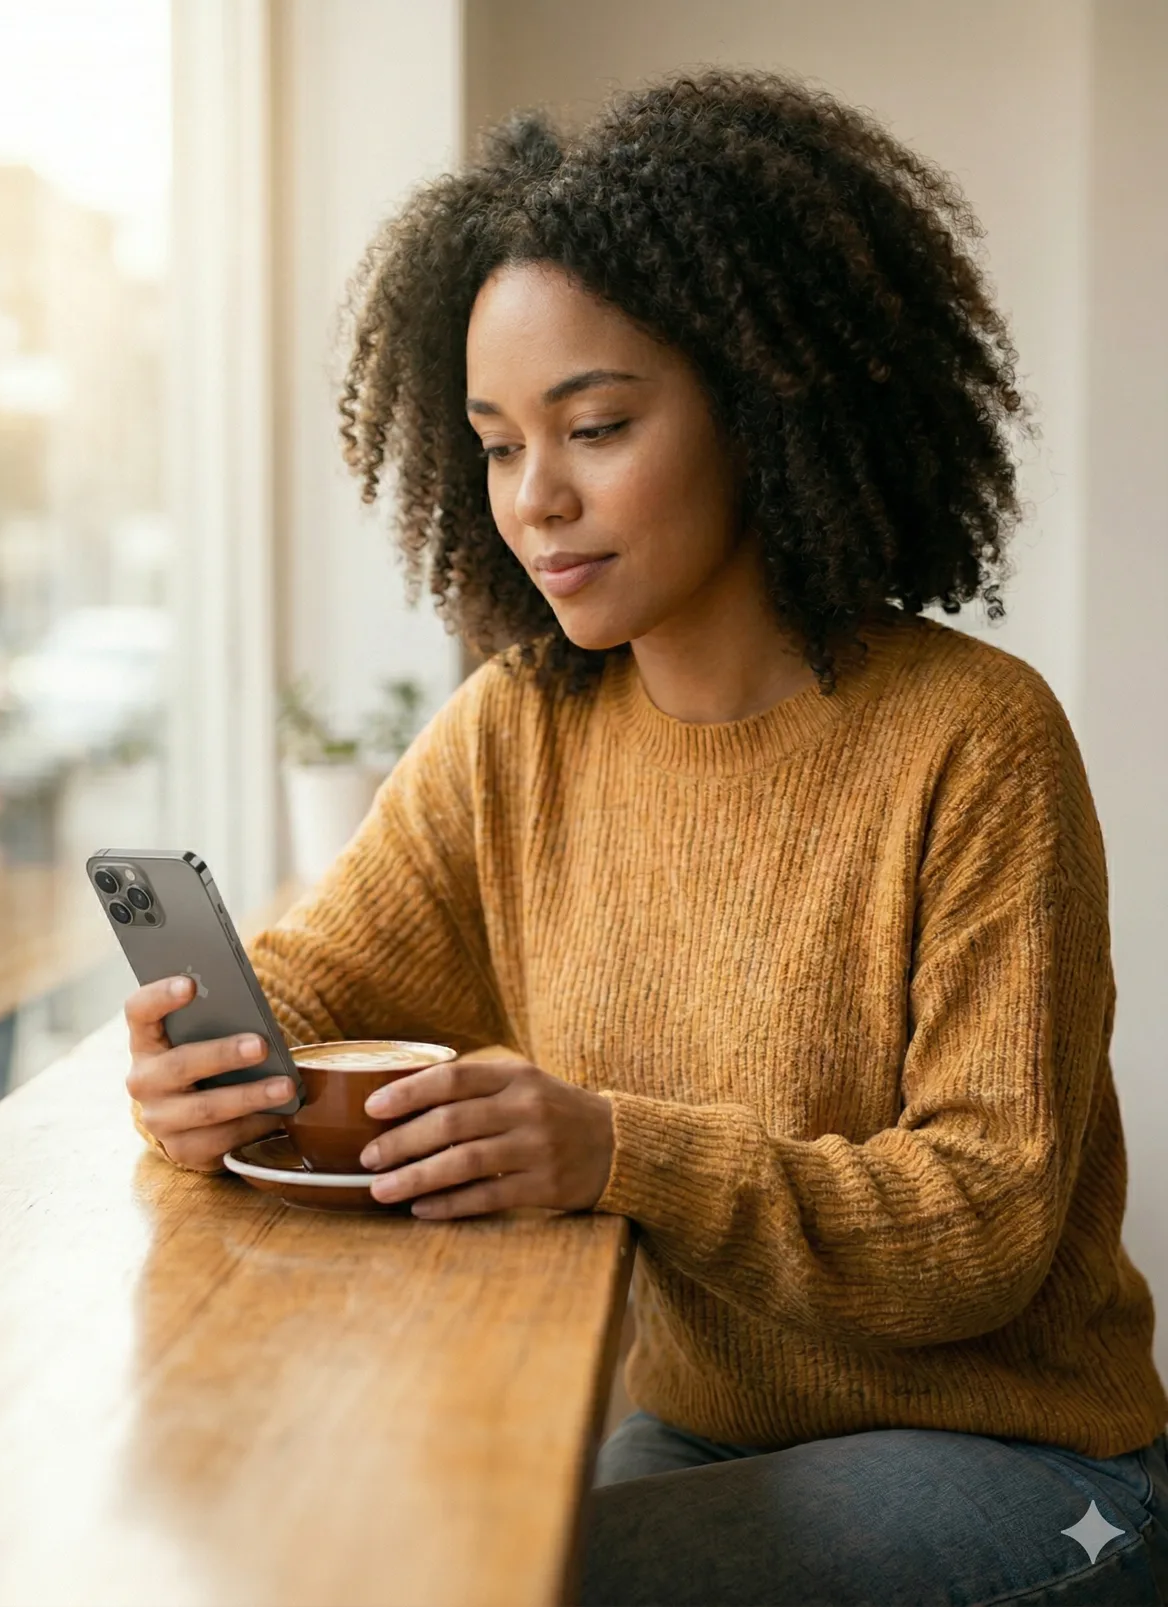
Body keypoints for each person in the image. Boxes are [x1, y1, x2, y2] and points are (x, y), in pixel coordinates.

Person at [124, 66, 1168, 1606]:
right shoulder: (520, 729)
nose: (536, 499)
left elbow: (985, 1222)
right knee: (440, 1541)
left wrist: (618, 1148)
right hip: (698, 1427)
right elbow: (320, 990)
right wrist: (199, 1073)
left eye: (595, 425)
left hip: (1034, 1471)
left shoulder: (976, 738)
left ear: (765, 407)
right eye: (493, 444)